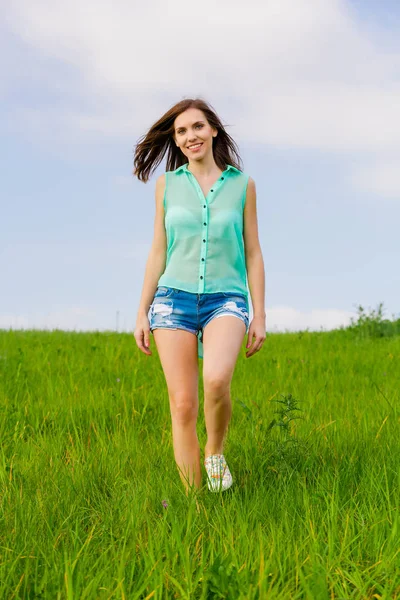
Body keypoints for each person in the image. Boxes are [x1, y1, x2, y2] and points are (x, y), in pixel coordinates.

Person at [133, 98, 266, 495]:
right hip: (172, 300)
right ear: (176, 141)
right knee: (183, 405)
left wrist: (259, 315)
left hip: (227, 298)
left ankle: (215, 451)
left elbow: (254, 252)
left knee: (217, 378)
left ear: (213, 131)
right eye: (181, 131)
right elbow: (158, 250)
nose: (190, 136)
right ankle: (195, 506)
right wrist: (142, 310)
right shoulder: (167, 185)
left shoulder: (242, 185)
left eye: (196, 127)